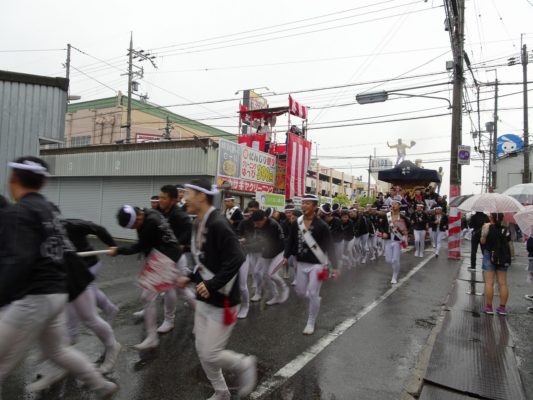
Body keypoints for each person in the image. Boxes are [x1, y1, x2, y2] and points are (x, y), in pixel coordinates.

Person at [0, 156, 117, 399]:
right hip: (57, 293)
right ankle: (101, 385)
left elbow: (18, 261)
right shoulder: (47, 209)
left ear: (13, 179)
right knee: (58, 351)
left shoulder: (19, 212)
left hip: (35, 297)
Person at [177, 179, 257, 400]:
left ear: (201, 197)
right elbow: (204, 261)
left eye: (188, 194)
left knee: (211, 353)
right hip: (204, 299)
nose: (185, 198)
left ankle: (244, 364)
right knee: (203, 351)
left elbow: (237, 257)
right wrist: (190, 276)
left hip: (224, 300)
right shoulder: (198, 222)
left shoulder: (219, 224)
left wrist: (212, 284)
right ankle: (221, 391)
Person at [111, 204, 181, 350]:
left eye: (135, 225)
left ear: (138, 215)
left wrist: (119, 250)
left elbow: (139, 246)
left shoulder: (150, 222)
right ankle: (157, 332)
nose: (135, 228)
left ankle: (152, 337)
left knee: (147, 297)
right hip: (166, 254)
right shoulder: (149, 212)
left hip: (166, 256)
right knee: (173, 290)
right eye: (133, 227)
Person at [283, 194, 338, 335]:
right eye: (303, 203)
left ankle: (311, 321)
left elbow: (330, 246)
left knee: (313, 293)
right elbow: (291, 240)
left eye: (307, 203)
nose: (304, 206)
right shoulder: (297, 223)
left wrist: (335, 266)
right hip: (301, 263)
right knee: (300, 292)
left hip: (317, 264)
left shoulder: (322, 226)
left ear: (314, 207)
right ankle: (314, 297)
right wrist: (286, 255)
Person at [157, 184, 196, 333]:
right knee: (180, 290)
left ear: (173, 200)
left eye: (163, 198)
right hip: (165, 255)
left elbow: (190, 229)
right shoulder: (161, 212)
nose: (160, 200)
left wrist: (179, 244)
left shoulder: (179, 214)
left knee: (173, 289)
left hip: (176, 257)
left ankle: (169, 320)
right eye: (159, 197)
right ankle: (202, 314)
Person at [251, 209, 290, 305]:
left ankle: (284, 288)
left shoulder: (272, 226)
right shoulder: (260, 225)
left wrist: (249, 246)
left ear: (264, 218)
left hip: (279, 252)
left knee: (271, 274)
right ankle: (275, 296)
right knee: (265, 275)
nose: (256, 225)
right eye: (255, 223)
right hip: (267, 252)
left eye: (258, 223)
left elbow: (263, 243)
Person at [480, 213, 511, 315]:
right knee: (503, 283)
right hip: (502, 257)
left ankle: (489, 307)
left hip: (489, 255)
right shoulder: (506, 230)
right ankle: (502, 308)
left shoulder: (486, 227)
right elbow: (507, 242)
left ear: (491, 218)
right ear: (502, 218)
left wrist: (484, 235)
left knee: (489, 283)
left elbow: (483, 241)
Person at [237, 200, 261, 318]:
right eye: (249, 211)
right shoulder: (243, 223)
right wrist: (241, 240)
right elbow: (238, 235)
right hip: (245, 252)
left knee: (257, 273)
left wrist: (247, 242)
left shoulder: (262, 222)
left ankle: (256, 294)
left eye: (253, 211)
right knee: (249, 276)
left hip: (260, 252)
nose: (251, 213)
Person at [379, 199, 410, 284]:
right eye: (392, 204)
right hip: (388, 240)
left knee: (395, 259)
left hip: (397, 240)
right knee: (388, 260)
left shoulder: (402, 217)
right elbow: (380, 226)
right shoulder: (387, 216)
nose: (393, 205)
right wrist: (384, 232)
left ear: (399, 206)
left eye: (395, 204)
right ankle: (395, 269)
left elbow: (409, 226)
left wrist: (405, 233)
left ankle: (394, 276)